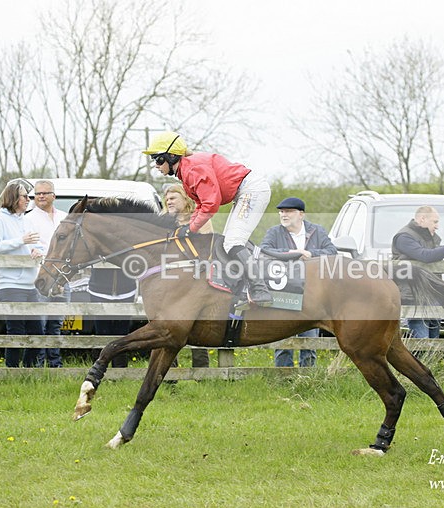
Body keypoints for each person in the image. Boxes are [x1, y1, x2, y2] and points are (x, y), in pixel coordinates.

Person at [143, 131, 272, 306]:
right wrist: (188, 226)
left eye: (158, 160)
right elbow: (201, 206)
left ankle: (260, 289)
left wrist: (191, 228)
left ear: (172, 156)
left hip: (251, 191)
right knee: (228, 243)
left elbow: (211, 205)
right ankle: (244, 288)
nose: (156, 166)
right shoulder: (185, 171)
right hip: (244, 192)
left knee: (232, 243)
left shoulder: (192, 169)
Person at [260, 196, 338, 367]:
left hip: (311, 293)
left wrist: (311, 254)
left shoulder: (317, 231)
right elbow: (265, 250)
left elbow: (332, 251)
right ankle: (281, 377)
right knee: (282, 339)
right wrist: (292, 252)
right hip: (283, 290)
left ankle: (308, 377)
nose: (283, 215)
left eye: (288, 211)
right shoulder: (274, 232)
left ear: (301, 214)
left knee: (309, 337)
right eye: (281, 212)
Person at [0, 180, 45, 367]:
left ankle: (29, 371)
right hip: (9, 284)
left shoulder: (26, 219)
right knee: (16, 330)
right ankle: (11, 370)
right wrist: (21, 240)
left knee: (37, 331)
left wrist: (37, 251)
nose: (29, 199)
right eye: (25, 196)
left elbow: (35, 244)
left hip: (30, 283)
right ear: (13, 198)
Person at [392, 206, 444, 339]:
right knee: (422, 341)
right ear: (422, 219)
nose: (437, 226)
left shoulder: (431, 238)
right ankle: (421, 360)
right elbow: (425, 256)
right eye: (435, 222)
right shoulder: (404, 237)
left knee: (434, 341)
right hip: (415, 295)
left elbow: (432, 262)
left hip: (433, 293)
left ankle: (430, 360)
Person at [161, 183, 212, 367]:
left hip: (195, 281)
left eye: (173, 198)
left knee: (197, 325)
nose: (169, 201)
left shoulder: (200, 219)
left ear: (185, 198)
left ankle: (202, 372)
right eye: (167, 199)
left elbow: (208, 248)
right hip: (170, 282)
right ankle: (169, 372)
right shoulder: (164, 221)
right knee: (167, 326)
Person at [25, 180, 68, 367]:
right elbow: (29, 246)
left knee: (56, 324)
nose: (41, 196)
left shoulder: (64, 218)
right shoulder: (28, 218)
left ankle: (55, 364)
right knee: (40, 323)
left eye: (45, 193)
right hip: (40, 277)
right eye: (37, 193)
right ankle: (38, 364)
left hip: (62, 279)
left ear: (54, 196)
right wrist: (33, 251)